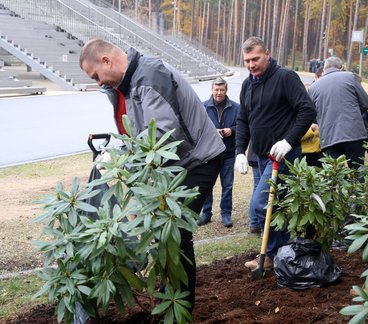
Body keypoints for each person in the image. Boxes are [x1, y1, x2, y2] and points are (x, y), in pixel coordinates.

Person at [79, 39, 225, 312]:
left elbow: (165, 133)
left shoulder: (150, 75)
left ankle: (179, 307)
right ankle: (168, 290)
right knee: (162, 232)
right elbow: (137, 131)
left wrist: (123, 157)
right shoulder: (122, 85)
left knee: (177, 233)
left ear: (106, 61)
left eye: (96, 75)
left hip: (198, 160)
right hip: (174, 165)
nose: (98, 82)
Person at [234, 36, 316, 270]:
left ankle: (274, 254)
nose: (251, 65)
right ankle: (274, 256)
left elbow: (308, 110)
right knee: (273, 207)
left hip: (282, 156)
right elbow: (243, 119)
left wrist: (289, 141)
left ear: (267, 54)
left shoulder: (285, 77)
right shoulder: (248, 84)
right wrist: (240, 151)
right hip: (260, 156)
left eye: (256, 59)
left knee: (261, 205)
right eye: (247, 60)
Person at [308, 56, 368, 169]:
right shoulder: (350, 77)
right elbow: (366, 103)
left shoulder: (313, 87)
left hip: (328, 138)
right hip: (354, 134)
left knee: (334, 176)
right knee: (358, 172)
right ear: (341, 68)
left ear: (324, 69)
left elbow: (311, 115)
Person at [198, 77, 240, 228]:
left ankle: (226, 214)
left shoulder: (236, 108)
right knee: (207, 185)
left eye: (222, 89)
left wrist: (231, 130)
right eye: (216, 89)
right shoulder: (203, 107)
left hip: (228, 153)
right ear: (212, 90)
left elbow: (242, 126)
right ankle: (206, 213)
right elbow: (198, 128)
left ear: (226, 90)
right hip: (209, 154)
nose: (219, 92)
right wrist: (212, 131)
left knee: (227, 185)